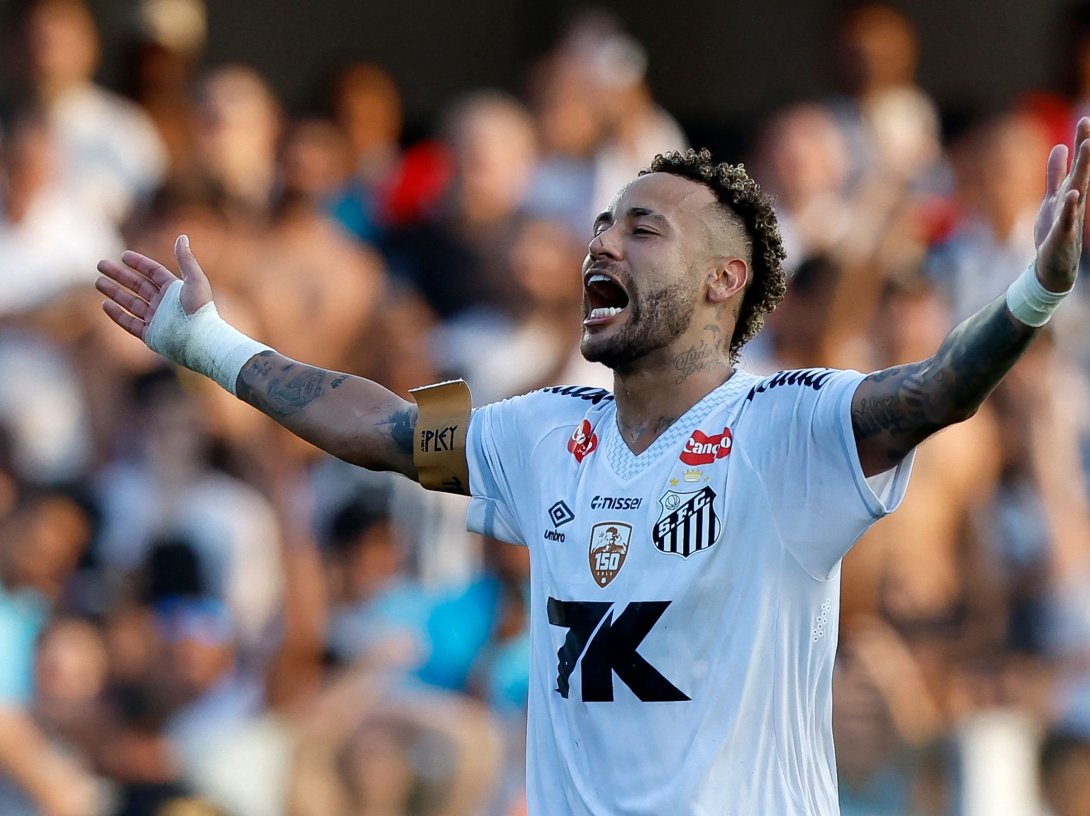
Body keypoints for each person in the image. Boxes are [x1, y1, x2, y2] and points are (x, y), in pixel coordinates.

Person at [94, 117, 1090, 813]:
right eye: (604, 223)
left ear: (720, 282)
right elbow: (386, 431)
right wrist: (210, 346)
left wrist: (1033, 295)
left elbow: (932, 393)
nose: (601, 241)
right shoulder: (537, 434)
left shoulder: (787, 428)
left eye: (640, 227)